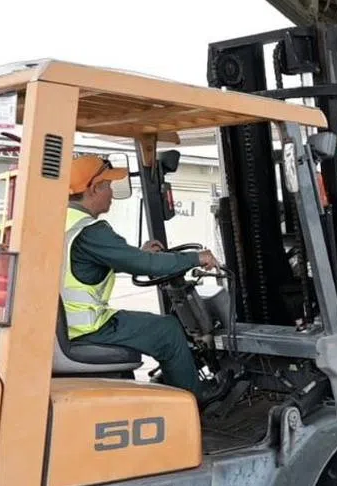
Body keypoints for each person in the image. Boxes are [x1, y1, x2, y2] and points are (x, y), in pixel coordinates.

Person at [62, 154, 228, 405]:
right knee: (167, 330)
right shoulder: (90, 231)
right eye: (109, 186)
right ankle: (196, 400)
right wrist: (196, 258)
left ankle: (176, 381)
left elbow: (83, 265)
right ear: (95, 188)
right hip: (84, 328)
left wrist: (137, 255)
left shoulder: (60, 223)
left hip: (64, 325)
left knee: (156, 326)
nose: (111, 194)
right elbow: (146, 265)